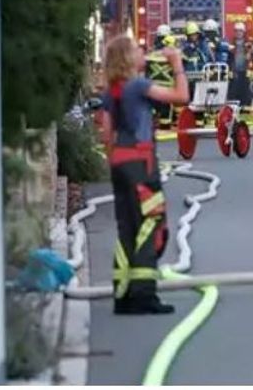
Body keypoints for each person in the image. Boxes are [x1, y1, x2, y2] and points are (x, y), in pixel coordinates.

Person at [99, 35, 190, 314]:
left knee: (126, 227)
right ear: (128, 58)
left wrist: (117, 158)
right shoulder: (138, 85)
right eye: (138, 50)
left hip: (119, 164)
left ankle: (123, 294)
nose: (144, 53)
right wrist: (177, 65)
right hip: (141, 163)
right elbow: (181, 97)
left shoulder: (111, 91)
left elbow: (105, 133)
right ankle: (144, 295)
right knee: (150, 224)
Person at [145, 34, 177, 129]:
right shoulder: (173, 55)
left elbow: (146, 67)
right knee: (166, 108)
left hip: (153, 86)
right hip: (167, 87)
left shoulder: (152, 54)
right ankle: (165, 125)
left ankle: (153, 121)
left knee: (154, 106)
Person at [229, 22, 253, 109]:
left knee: (246, 93)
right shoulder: (231, 43)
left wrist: (252, 51)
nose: (238, 33)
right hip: (235, 72)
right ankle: (234, 110)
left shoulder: (249, 43)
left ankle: (246, 110)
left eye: (240, 31)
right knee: (234, 92)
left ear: (244, 32)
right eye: (236, 31)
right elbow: (229, 58)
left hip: (247, 72)